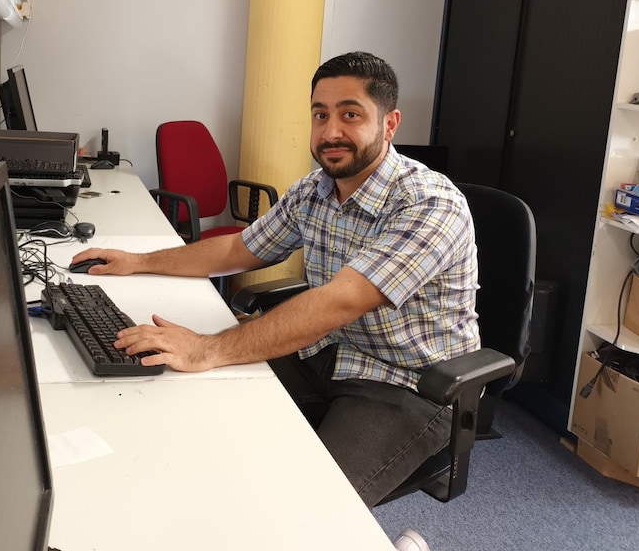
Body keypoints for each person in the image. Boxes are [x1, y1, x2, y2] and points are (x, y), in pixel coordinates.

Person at [70, 51, 479, 507]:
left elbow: (338, 302)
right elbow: (235, 249)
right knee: (183, 415)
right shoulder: (313, 190)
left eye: (350, 114)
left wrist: (208, 347)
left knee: (306, 513)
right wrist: (138, 260)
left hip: (406, 384)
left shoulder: (430, 204)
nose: (330, 132)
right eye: (320, 114)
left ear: (389, 124)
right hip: (324, 354)